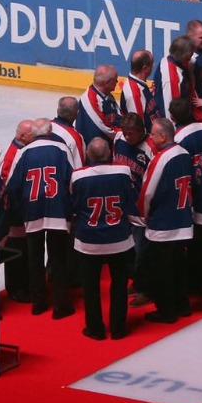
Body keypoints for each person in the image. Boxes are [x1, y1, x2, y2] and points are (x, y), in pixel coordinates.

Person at [6, 117, 75, 318]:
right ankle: (61, 305)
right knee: (58, 259)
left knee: (34, 259)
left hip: (32, 212)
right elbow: (73, 180)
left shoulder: (23, 152)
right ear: (50, 131)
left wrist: (22, 209)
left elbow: (12, 187)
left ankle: (38, 302)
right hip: (58, 212)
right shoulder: (62, 149)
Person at [70, 137, 135, 340]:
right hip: (119, 239)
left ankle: (95, 328)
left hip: (89, 241)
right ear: (109, 153)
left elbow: (74, 205)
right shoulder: (124, 171)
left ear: (88, 154)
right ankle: (118, 328)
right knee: (119, 285)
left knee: (91, 287)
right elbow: (130, 200)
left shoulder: (77, 176)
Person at [139, 116, 194, 322]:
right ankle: (183, 305)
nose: (151, 137)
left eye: (153, 134)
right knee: (180, 266)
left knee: (162, 271)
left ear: (163, 136)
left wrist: (144, 217)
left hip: (163, 225)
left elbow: (147, 193)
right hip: (183, 220)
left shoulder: (160, 159)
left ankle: (166, 310)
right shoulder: (185, 153)